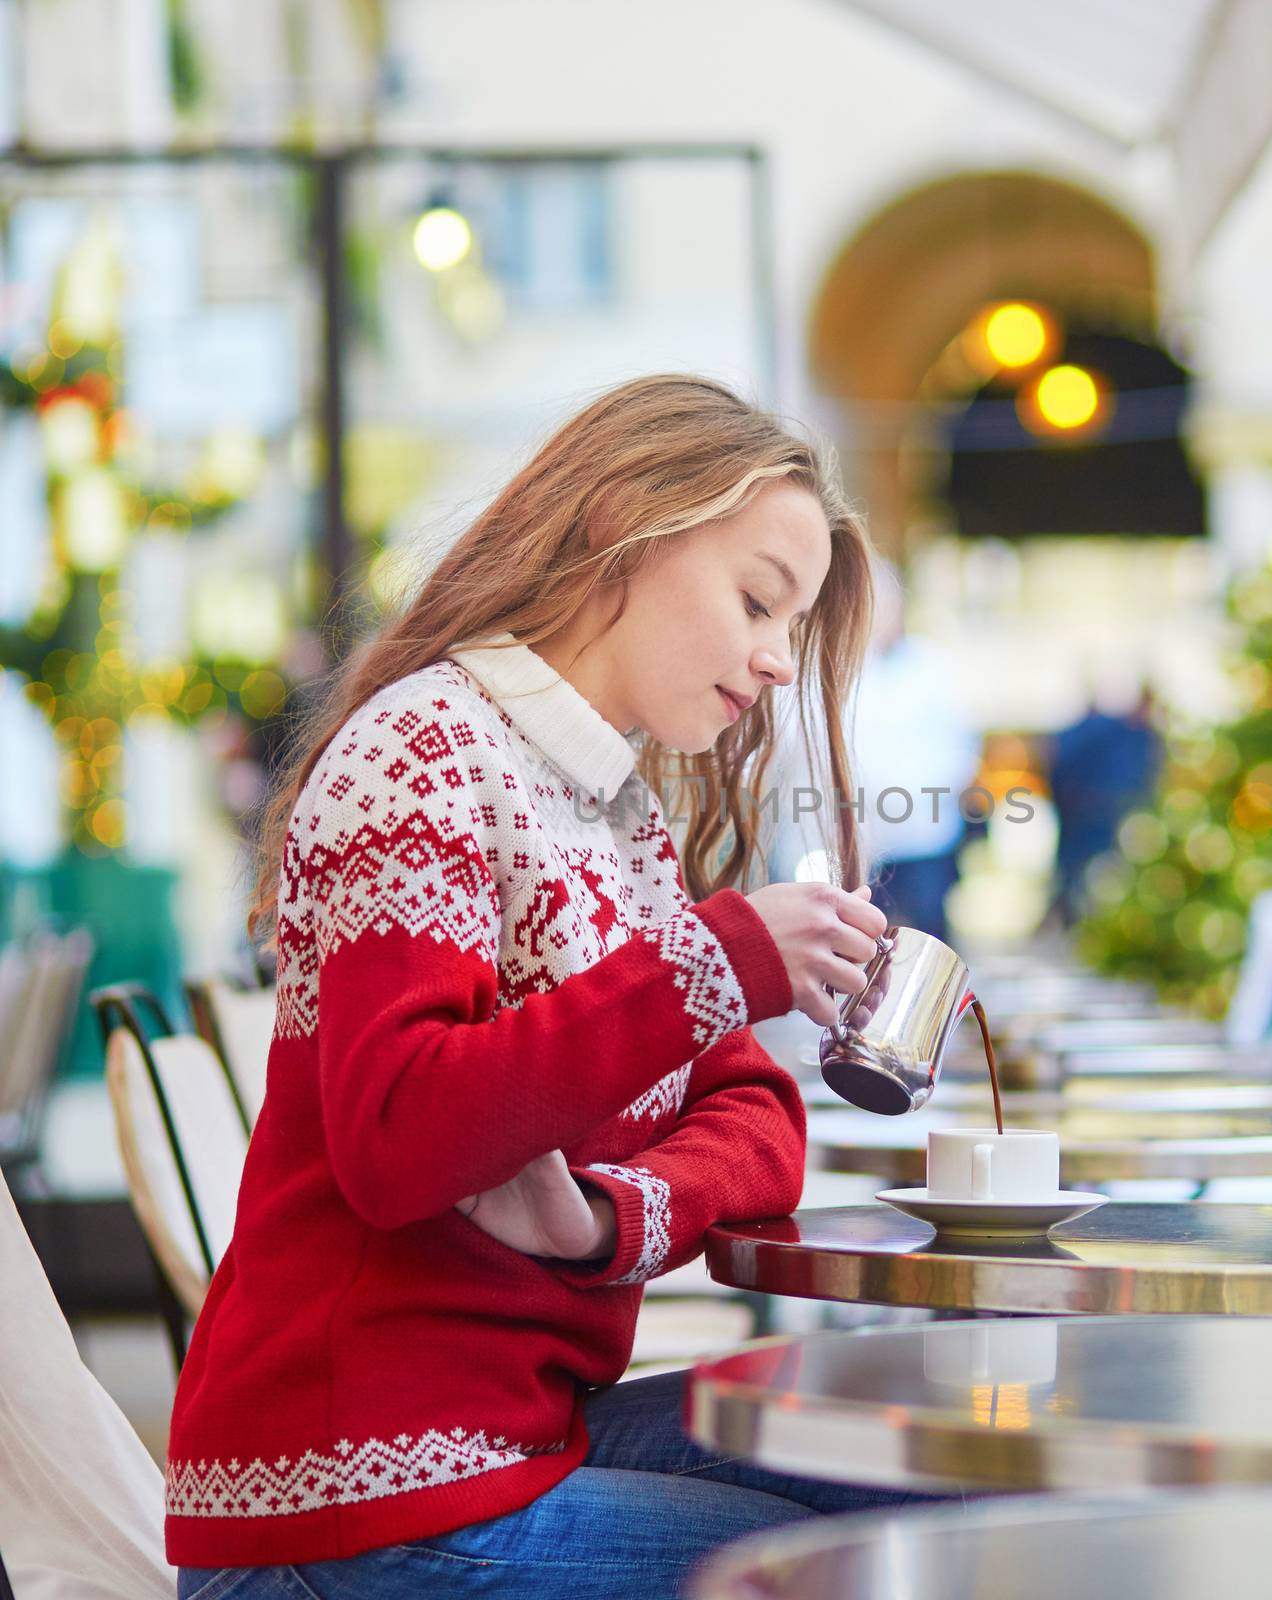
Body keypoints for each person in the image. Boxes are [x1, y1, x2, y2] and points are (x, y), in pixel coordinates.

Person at [167, 376, 924, 1598]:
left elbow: (758, 1120)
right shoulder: (421, 752)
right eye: (756, 601)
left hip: (514, 1444)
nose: (779, 662)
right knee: (875, 1568)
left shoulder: (613, 811)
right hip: (350, 1501)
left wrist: (601, 1222)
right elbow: (400, 1134)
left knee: (920, 1468)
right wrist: (716, 962)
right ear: (620, 518)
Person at [849, 558, 979, 946]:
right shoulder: (843, 668)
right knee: (867, 945)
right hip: (864, 841)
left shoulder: (931, 666)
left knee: (927, 936)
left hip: (924, 836)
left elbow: (960, 743)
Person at [1048, 680, 1162, 922]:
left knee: (1087, 875)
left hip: (1098, 815)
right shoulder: (1111, 734)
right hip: (1091, 816)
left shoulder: (1131, 737)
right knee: (1082, 875)